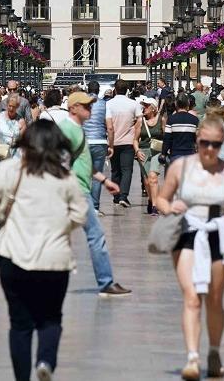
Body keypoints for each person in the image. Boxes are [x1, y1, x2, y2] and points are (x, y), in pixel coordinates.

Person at [0, 120, 88, 381]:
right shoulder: (65, 176)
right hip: (55, 261)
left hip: (13, 257)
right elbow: (80, 215)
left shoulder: (9, 170)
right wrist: (61, 227)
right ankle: (45, 362)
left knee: (20, 324)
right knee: (51, 319)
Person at [156, 117, 224, 381]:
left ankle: (214, 351)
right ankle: (192, 358)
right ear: (197, 140)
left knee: (215, 300)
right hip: (187, 231)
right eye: (205, 143)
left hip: (218, 230)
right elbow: (161, 198)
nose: (209, 149)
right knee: (192, 297)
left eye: (215, 144)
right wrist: (167, 207)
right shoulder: (180, 167)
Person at [57, 91, 131, 296]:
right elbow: (58, 162)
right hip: (76, 191)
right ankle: (106, 283)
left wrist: (104, 180)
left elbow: (83, 163)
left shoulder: (78, 130)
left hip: (80, 188)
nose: (90, 109)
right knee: (95, 236)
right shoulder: (68, 130)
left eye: (91, 105)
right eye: (86, 106)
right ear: (73, 108)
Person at [106, 80, 142, 208]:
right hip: (128, 141)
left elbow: (107, 124)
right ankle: (123, 196)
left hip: (113, 141)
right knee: (127, 170)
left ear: (115, 89)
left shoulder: (108, 104)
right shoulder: (133, 104)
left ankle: (116, 196)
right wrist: (135, 138)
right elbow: (139, 122)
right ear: (127, 90)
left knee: (115, 170)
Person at [81, 81, 109, 212]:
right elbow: (109, 126)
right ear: (99, 90)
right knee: (97, 176)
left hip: (85, 142)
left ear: (88, 90)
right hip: (100, 142)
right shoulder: (104, 104)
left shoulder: (82, 105)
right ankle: (95, 207)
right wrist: (111, 144)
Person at [138, 97, 166, 216]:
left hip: (157, 151)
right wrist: (137, 150)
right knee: (147, 181)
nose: (144, 108)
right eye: (143, 105)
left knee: (153, 177)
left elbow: (166, 136)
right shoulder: (140, 121)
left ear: (153, 108)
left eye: (146, 106)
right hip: (144, 151)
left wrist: (166, 150)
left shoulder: (162, 120)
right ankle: (151, 199)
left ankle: (155, 206)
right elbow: (135, 139)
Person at [164, 92, 201, 166]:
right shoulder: (194, 119)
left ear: (176, 104)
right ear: (188, 104)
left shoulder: (171, 119)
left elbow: (167, 138)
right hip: (190, 154)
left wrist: (163, 153)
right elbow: (198, 138)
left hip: (175, 154)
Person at [0, 96, 27, 166]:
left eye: (14, 107)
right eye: (10, 106)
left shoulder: (21, 121)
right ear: (6, 106)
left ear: (17, 107)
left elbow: (23, 142)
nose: (11, 109)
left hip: (14, 157)